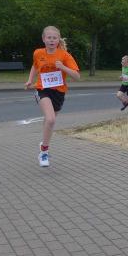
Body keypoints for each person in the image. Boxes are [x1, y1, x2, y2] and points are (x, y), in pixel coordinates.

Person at [24, 26, 80, 167]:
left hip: (59, 92)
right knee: (50, 119)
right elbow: (35, 66)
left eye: (54, 38)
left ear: (58, 39)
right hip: (42, 89)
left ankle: (44, 143)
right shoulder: (38, 53)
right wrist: (30, 80)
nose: (51, 40)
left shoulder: (65, 55)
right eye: (49, 38)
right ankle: (44, 152)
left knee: (48, 122)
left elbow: (77, 76)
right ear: (43, 39)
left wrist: (63, 67)